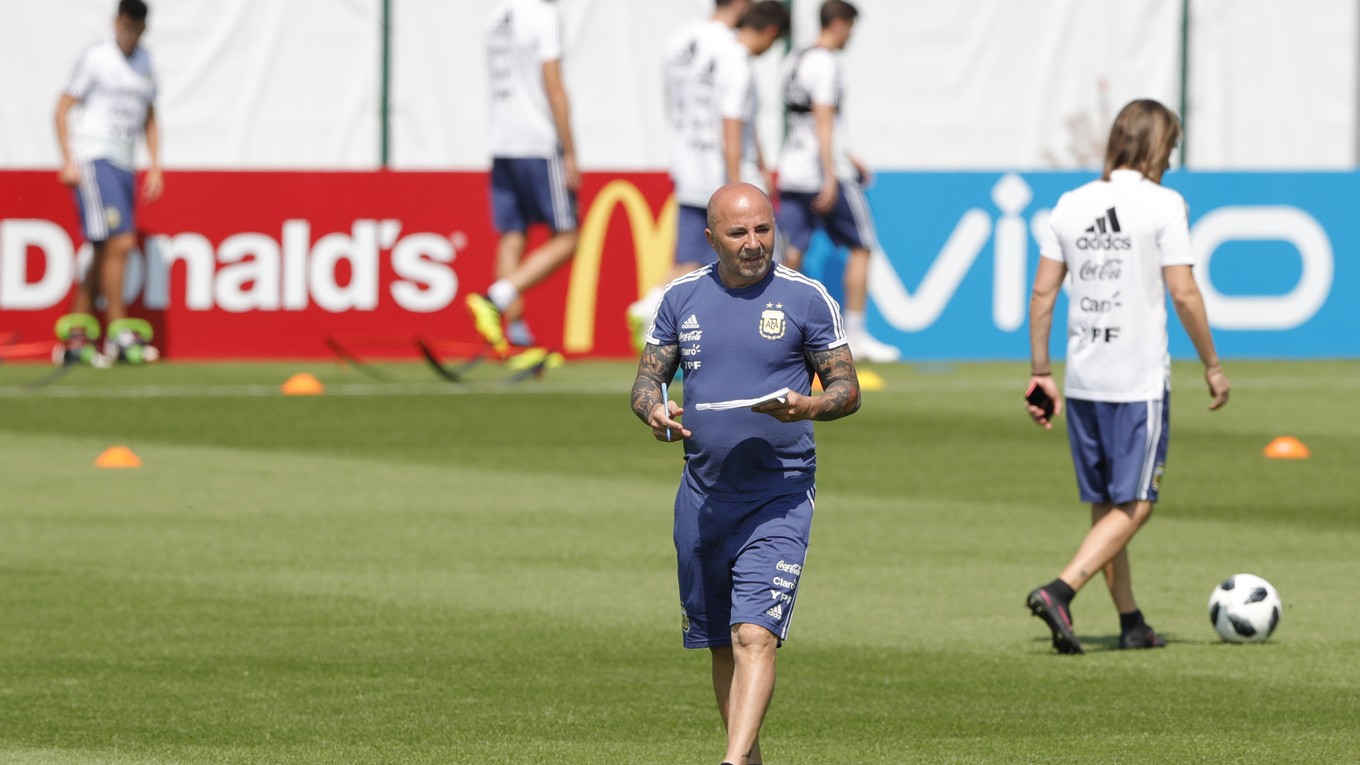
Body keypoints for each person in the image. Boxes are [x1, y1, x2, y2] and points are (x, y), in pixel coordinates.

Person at [631, 182, 861, 765]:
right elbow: (645, 381)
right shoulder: (681, 298)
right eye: (739, 233)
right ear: (711, 238)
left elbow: (847, 389)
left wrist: (807, 407)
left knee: (754, 634)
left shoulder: (808, 298)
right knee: (720, 646)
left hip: (778, 497)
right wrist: (655, 410)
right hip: (703, 497)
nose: (755, 243)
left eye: (763, 229)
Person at [1024, 99, 1231, 655]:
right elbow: (1184, 292)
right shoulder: (1164, 204)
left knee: (1107, 503)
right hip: (1136, 379)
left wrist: (1041, 370)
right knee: (1137, 503)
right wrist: (1212, 363)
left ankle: (1130, 619)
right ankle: (1061, 589)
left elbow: (1043, 293)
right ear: (1160, 145)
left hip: (1083, 375)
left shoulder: (1071, 203)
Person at [626, 0, 791, 352]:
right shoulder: (732, 52)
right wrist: (737, 184)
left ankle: (649, 308)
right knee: (763, 260)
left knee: (687, 262)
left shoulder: (678, 43)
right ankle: (764, 344)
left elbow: (674, 106)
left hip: (690, 165)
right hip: (723, 175)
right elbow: (732, 121)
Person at [776, 0, 899, 364]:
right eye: (851, 29)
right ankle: (856, 335)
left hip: (793, 168)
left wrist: (849, 154)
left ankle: (778, 331)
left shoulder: (794, 60)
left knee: (790, 254)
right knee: (862, 245)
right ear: (841, 24)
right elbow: (824, 120)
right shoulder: (827, 63)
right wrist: (831, 173)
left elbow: (801, 119)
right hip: (823, 173)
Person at [465, 0, 579, 353]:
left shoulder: (496, 16)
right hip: (538, 140)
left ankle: (510, 334)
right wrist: (571, 151)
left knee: (513, 234)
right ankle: (495, 299)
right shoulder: (542, 15)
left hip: (502, 140)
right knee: (567, 237)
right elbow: (553, 84)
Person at [54, 0, 163, 366]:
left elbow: (149, 116)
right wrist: (69, 160)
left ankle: (76, 339)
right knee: (122, 240)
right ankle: (118, 333)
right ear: (116, 22)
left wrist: (156, 165)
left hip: (124, 163)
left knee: (103, 248)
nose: (129, 33)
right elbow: (63, 107)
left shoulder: (146, 63)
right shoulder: (97, 57)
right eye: (125, 25)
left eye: (136, 27)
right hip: (94, 156)